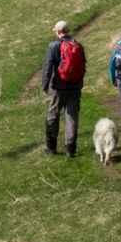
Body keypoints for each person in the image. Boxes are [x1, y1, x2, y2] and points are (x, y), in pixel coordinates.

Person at [40, 19, 87, 157]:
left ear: (58, 31)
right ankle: (70, 149)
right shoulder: (78, 45)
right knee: (72, 116)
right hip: (75, 87)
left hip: (59, 87)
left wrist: (45, 85)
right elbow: (83, 65)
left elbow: (48, 67)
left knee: (53, 114)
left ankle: (51, 146)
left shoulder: (53, 46)